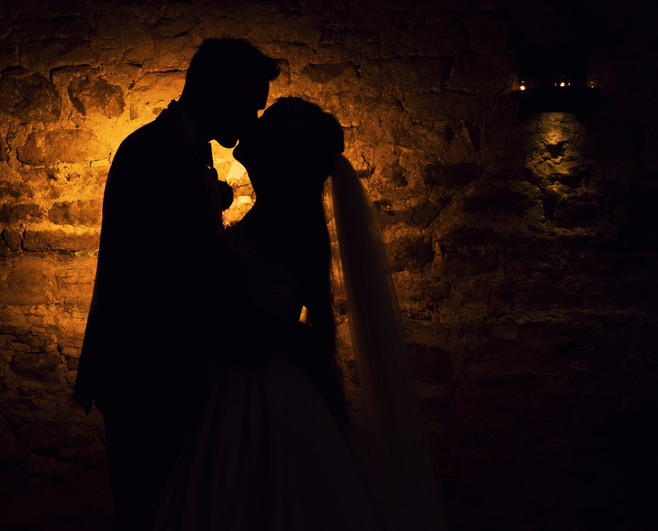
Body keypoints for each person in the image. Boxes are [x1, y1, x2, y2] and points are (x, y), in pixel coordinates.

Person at [154, 97, 447, 531]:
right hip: (238, 376)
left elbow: (264, 324)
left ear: (280, 152)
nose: (252, 126)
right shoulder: (276, 212)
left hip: (257, 384)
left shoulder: (290, 223)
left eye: (265, 125)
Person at [72, 38, 280, 531]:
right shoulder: (152, 152)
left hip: (166, 368)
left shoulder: (182, 150)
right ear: (219, 91)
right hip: (147, 373)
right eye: (249, 105)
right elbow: (180, 271)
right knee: (151, 509)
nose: (252, 120)